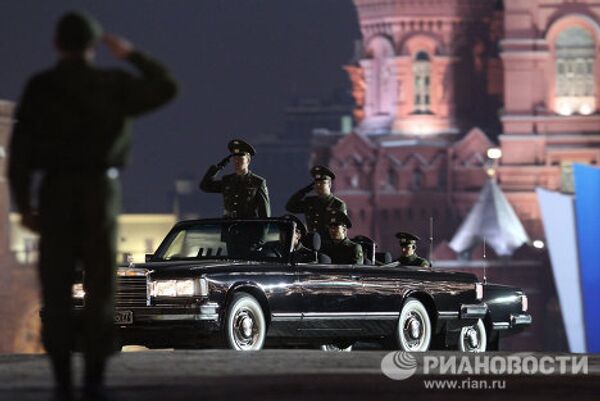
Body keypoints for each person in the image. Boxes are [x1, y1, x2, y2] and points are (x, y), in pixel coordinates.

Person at [8, 12, 177, 401]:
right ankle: (96, 381)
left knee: (56, 289)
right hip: (100, 191)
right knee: (101, 288)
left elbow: (19, 155)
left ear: (57, 45)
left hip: (55, 192)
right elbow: (167, 87)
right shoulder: (112, 84)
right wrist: (131, 55)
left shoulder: (41, 87)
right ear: (94, 45)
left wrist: (24, 205)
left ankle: (63, 381)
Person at [199, 139, 270, 219]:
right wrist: (217, 168)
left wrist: (262, 230)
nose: (236, 161)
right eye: (235, 158)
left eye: (240, 159)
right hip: (229, 228)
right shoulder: (227, 181)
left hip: (249, 228)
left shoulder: (257, 182)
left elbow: (264, 215)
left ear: (248, 161)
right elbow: (205, 186)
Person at [285, 165, 346, 240]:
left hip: (329, 245)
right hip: (312, 243)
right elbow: (290, 207)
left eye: (322, 183)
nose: (318, 185)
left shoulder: (338, 204)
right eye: (316, 183)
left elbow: (342, 230)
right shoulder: (310, 201)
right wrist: (305, 190)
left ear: (329, 184)